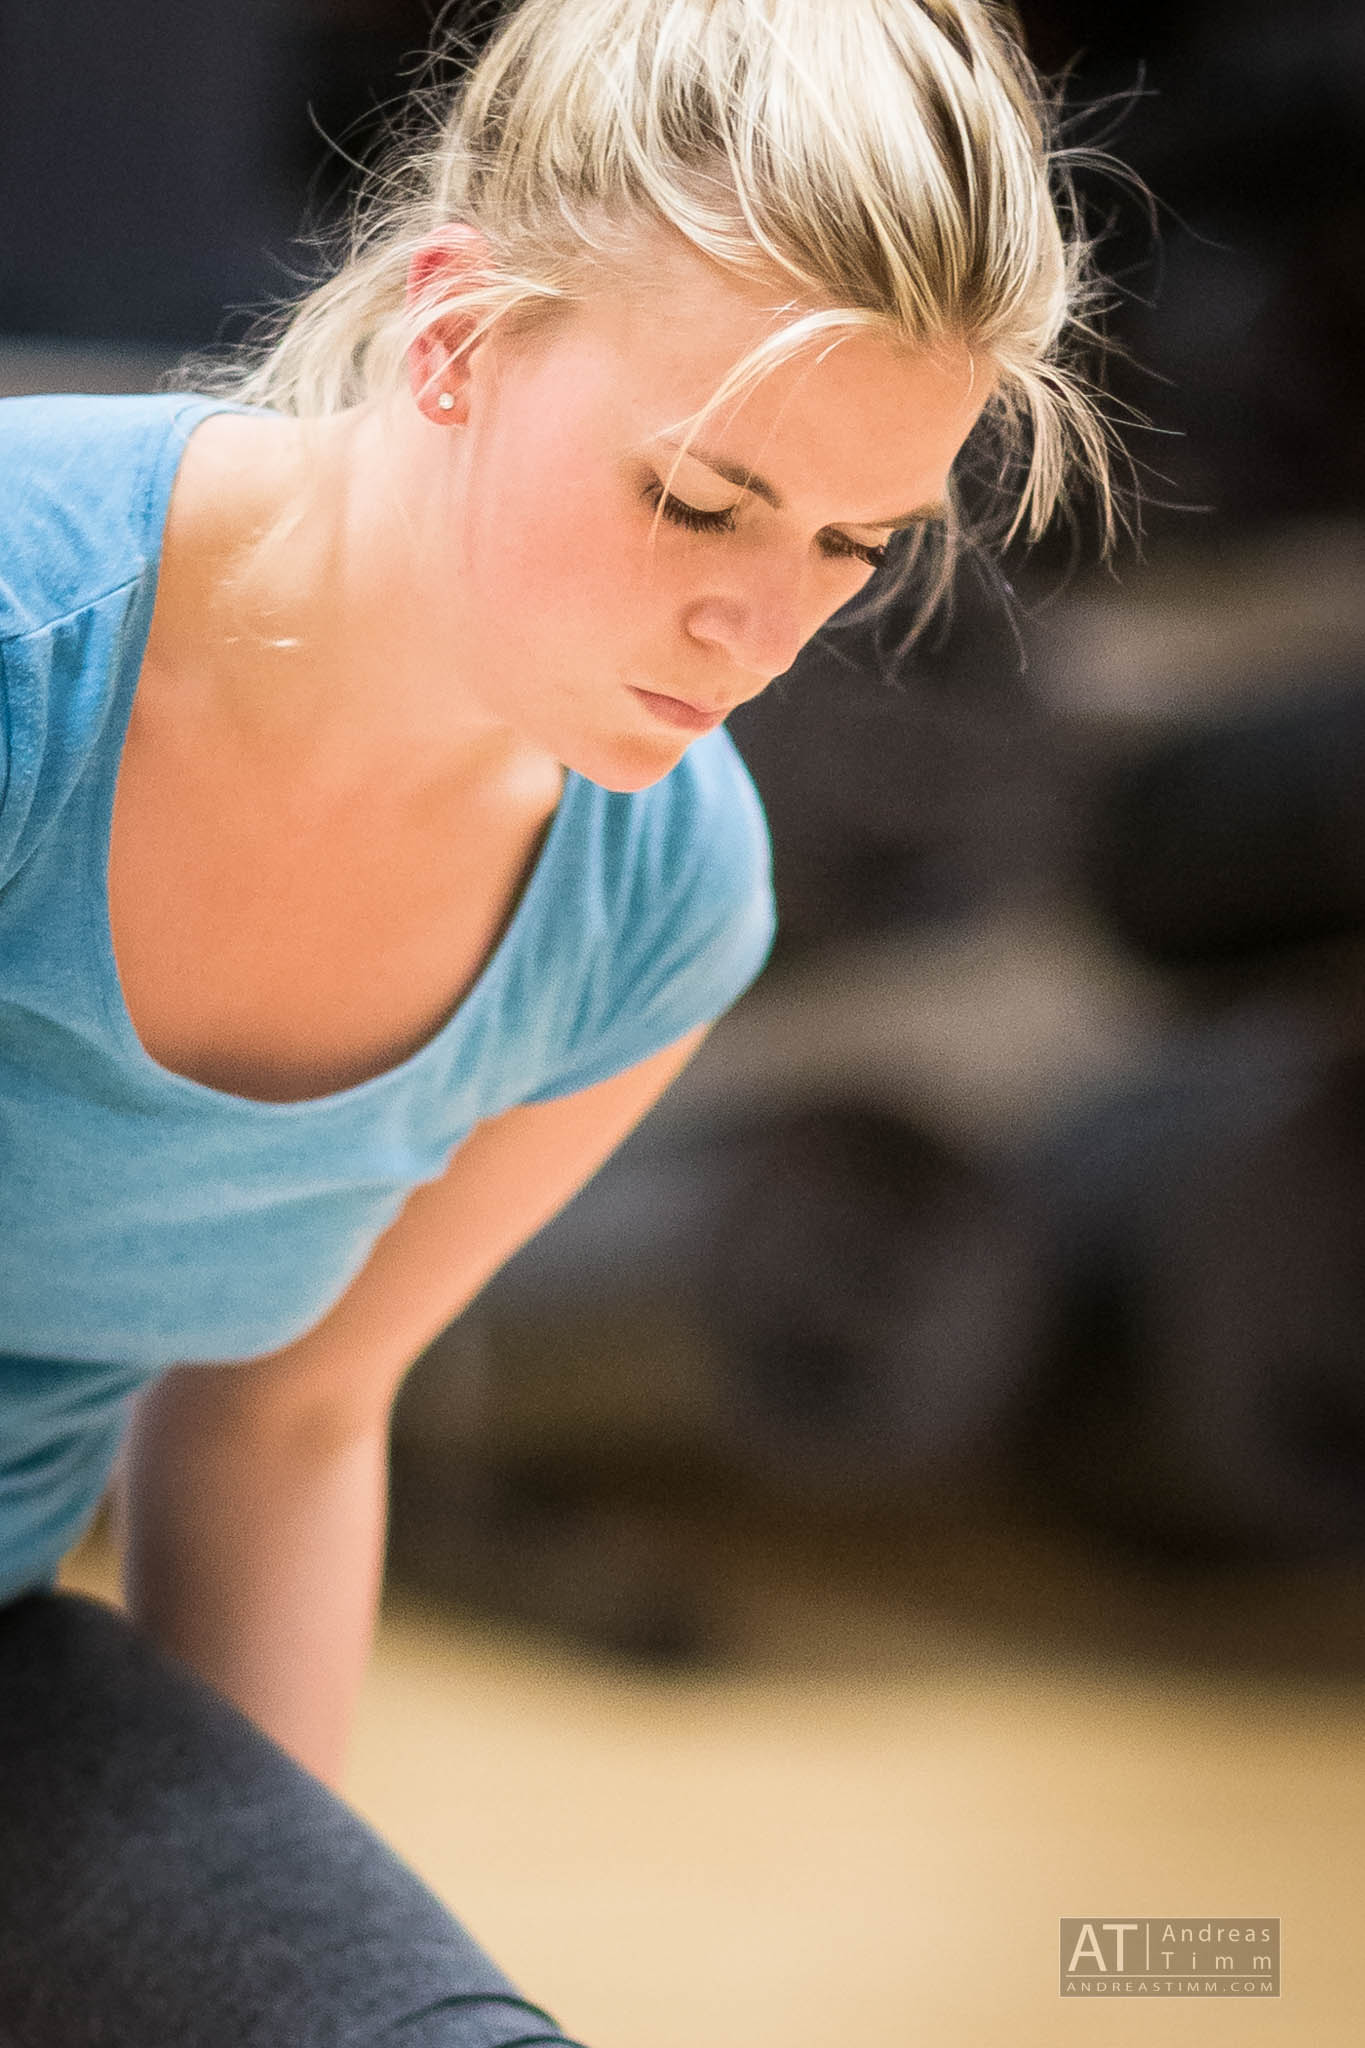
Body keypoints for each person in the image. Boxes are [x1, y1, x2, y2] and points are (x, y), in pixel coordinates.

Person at [0, 0, 1120, 2040]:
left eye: (850, 547)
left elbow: (285, 1415)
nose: (760, 632)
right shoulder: (20, 652)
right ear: (452, 333)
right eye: (698, 500)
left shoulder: (656, 895)